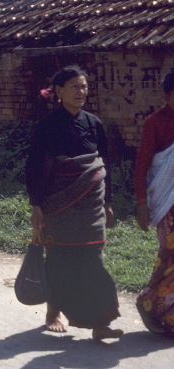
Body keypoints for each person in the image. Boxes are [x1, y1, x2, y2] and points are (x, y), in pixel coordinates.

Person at [24, 65, 123, 341]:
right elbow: (35, 167)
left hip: (91, 206)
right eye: (75, 87)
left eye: (84, 86)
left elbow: (102, 166)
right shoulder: (47, 126)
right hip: (58, 204)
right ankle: (53, 311)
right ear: (58, 92)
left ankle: (100, 323)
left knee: (94, 261)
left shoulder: (93, 124)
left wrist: (107, 201)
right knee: (59, 258)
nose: (81, 92)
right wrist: (36, 205)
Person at [133, 68, 174, 338]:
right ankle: (152, 304)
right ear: (164, 95)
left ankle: (164, 313)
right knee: (170, 255)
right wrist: (141, 204)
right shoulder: (155, 123)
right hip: (167, 200)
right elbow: (142, 165)